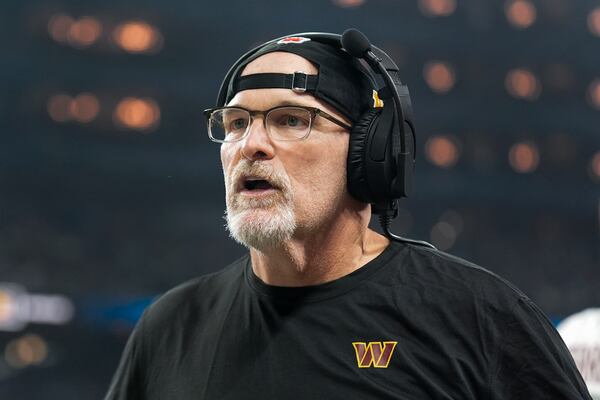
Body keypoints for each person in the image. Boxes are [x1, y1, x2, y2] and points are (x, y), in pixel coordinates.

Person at [104, 29, 592, 399]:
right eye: (235, 124)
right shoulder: (169, 327)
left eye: (291, 120)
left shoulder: (478, 316)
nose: (251, 145)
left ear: (369, 154)